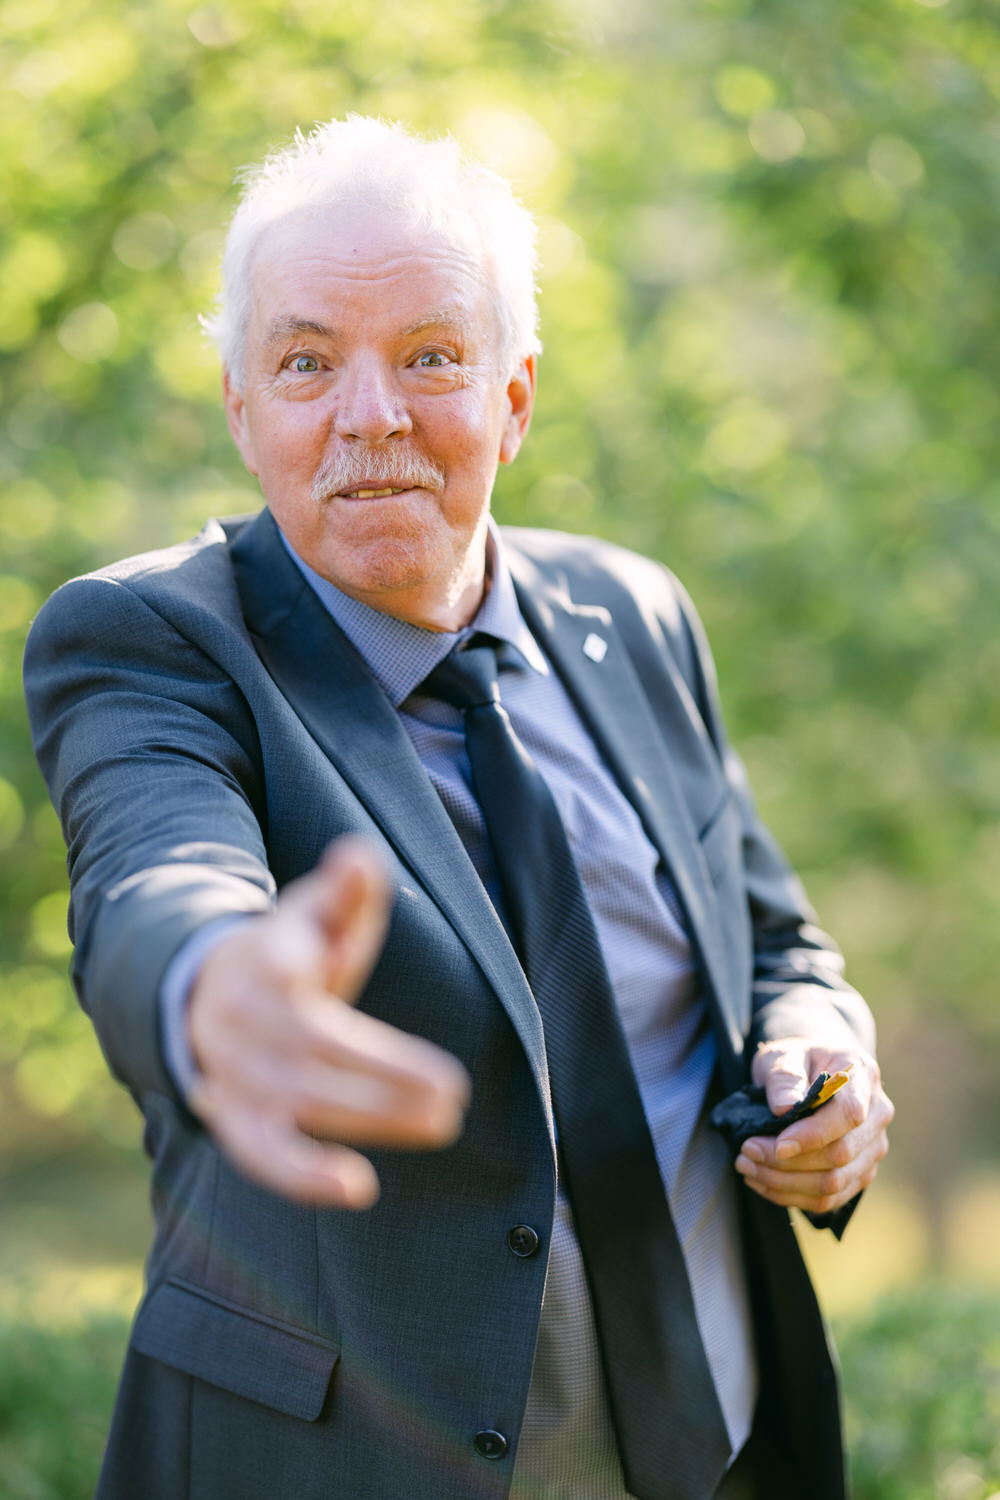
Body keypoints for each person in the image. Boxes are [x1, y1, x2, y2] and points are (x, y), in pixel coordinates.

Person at [23, 117, 893, 1500]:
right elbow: (156, 868)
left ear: (515, 396)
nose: (370, 414)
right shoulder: (150, 640)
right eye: (307, 362)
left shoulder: (637, 611)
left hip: (723, 1453)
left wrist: (819, 1059)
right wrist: (214, 987)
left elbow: (779, 945)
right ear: (244, 409)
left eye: (430, 355)